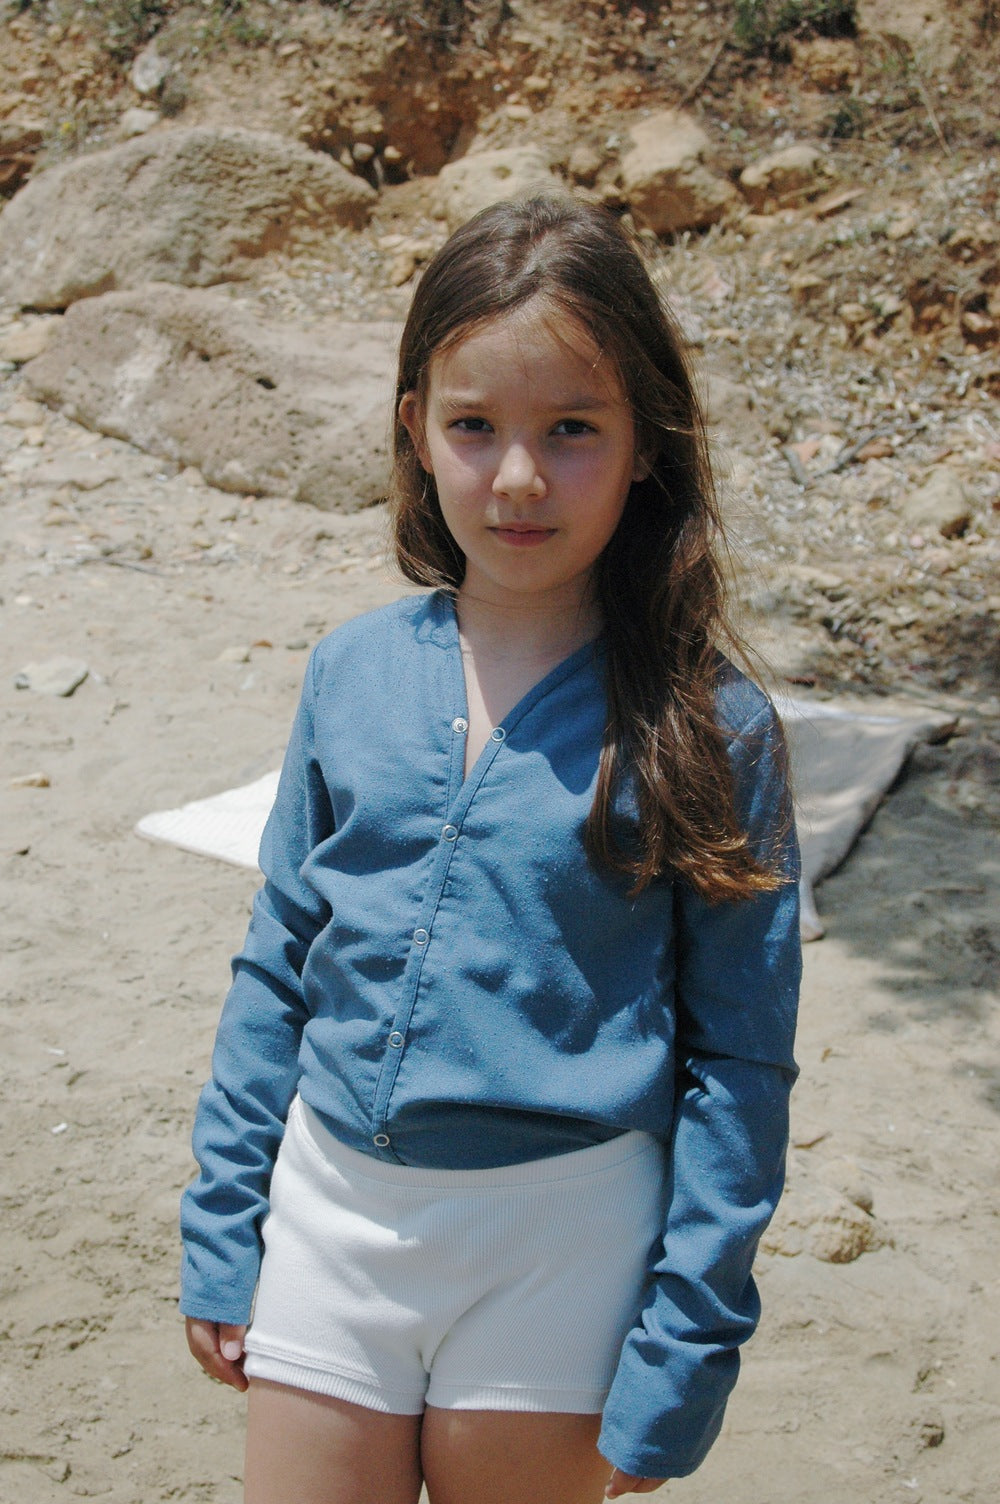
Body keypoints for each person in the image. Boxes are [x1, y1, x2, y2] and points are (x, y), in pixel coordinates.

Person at [180, 195, 801, 1504]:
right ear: (416, 430)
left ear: (646, 442)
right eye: (475, 427)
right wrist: (224, 1220)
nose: (518, 477)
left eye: (572, 429)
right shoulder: (350, 672)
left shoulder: (714, 728)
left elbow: (739, 1064)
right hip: (329, 1216)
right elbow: (278, 967)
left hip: (564, 1249)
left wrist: (686, 1345)